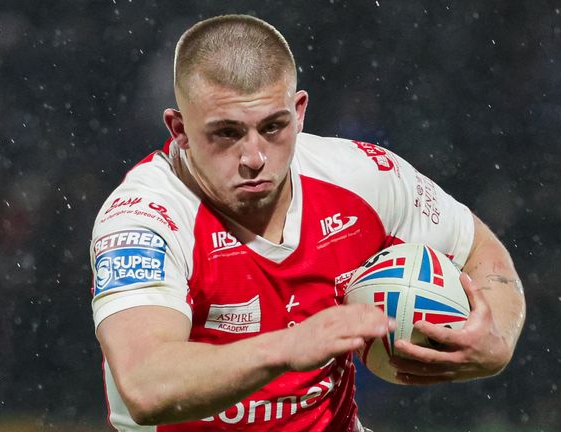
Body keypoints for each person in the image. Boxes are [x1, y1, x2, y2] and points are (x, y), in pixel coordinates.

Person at [89, 14, 526, 432]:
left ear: (298, 112)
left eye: (273, 127)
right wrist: (290, 348)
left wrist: (497, 341)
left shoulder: (363, 177)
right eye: (226, 133)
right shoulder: (144, 220)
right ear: (179, 128)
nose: (254, 158)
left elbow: (478, 250)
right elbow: (146, 385)